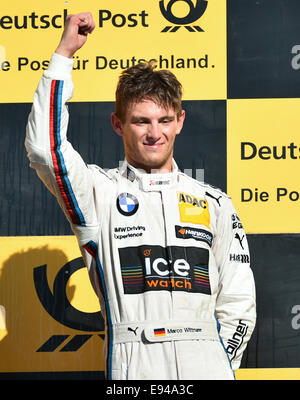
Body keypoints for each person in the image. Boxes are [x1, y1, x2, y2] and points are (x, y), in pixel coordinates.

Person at [25, 12, 256, 380]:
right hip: (134, 365)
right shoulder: (98, 192)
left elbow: (239, 303)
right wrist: (64, 55)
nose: (154, 133)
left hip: (208, 363)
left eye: (164, 120)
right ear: (118, 124)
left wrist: (218, 364)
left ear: (180, 121)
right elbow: (44, 149)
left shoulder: (215, 203)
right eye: (141, 121)